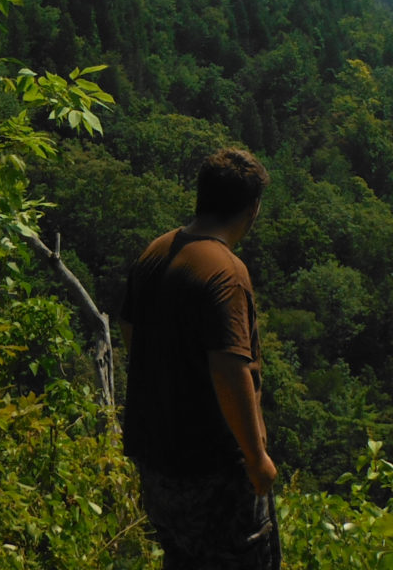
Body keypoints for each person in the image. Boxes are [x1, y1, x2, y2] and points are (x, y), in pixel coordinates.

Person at [120, 148, 280, 569]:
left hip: (157, 461)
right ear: (252, 209)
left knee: (181, 557)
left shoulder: (154, 253)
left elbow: (131, 335)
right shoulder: (225, 273)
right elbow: (230, 370)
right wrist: (256, 458)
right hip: (211, 468)